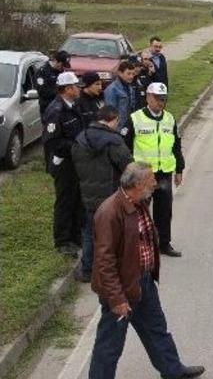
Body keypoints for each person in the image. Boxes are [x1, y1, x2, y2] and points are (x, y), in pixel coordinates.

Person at [89, 162, 204, 379]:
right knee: (109, 346)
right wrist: (117, 299)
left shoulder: (139, 202)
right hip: (121, 290)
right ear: (139, 184)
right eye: (151, 179)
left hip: (143, 283)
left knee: (157, 330)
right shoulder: (109, 212)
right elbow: (104, 261)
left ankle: (173, 371)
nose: (155, 182)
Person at [72, 106, 133, 283]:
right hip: (110, 196)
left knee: (90, 233)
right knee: (113, 234)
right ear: (112, 119)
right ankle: (112, 270)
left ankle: (87, 270)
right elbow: (128, 166)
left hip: (87, 195)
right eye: (117, 122)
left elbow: (75, 163)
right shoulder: (114, 140)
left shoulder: (81, 138)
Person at [126, 83, 186, 257]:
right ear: (148, 97)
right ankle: (139, 246)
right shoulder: (135, 118)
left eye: (164, 99)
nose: (161, 102)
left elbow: (176, 145)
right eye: (158, 99)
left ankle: (164, 243)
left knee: (164, 211)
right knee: (140, 212)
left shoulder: (169, 119)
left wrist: (179, 169)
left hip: (164, 173)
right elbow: (125, 146)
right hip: (142, 175)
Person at [43, 71, 87, 256]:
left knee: (77, 200)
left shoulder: (73, 105)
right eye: (76, 86)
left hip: (76, 161)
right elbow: (53, 142)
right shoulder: (56, 110)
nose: (79, 89)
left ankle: (76, 237)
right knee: (65, 202)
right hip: (64, 164)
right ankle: (62, 241)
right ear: (67, 89)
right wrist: (77, 145)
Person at [103, 60, 138, 134]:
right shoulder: (112, 90)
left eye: (133, 74)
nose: (131, 76)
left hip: (128, 127)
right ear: (119, 73)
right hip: (117, 130)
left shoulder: (130, 87)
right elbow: (110, 113)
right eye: (128, 74)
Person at [35, 50, 71, 114]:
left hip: (62, 107)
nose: (63, 68)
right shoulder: (42, 72)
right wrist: (59, 92)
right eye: (62, 65)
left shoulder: (62, 72)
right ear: (57, 61)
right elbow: (42, 91)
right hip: (48, 107)